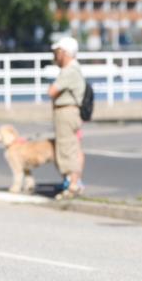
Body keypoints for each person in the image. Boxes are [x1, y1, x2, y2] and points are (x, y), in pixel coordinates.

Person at [47, 36, 86, 200]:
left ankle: (73, 185)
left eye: (57, 52)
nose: (55, 56)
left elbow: (52, 91)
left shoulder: (70, 70)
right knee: (72, 148)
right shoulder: (72, 69)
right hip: (70, 112)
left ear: (65, 52)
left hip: (67, 113)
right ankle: (72, 182)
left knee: (67, 148)